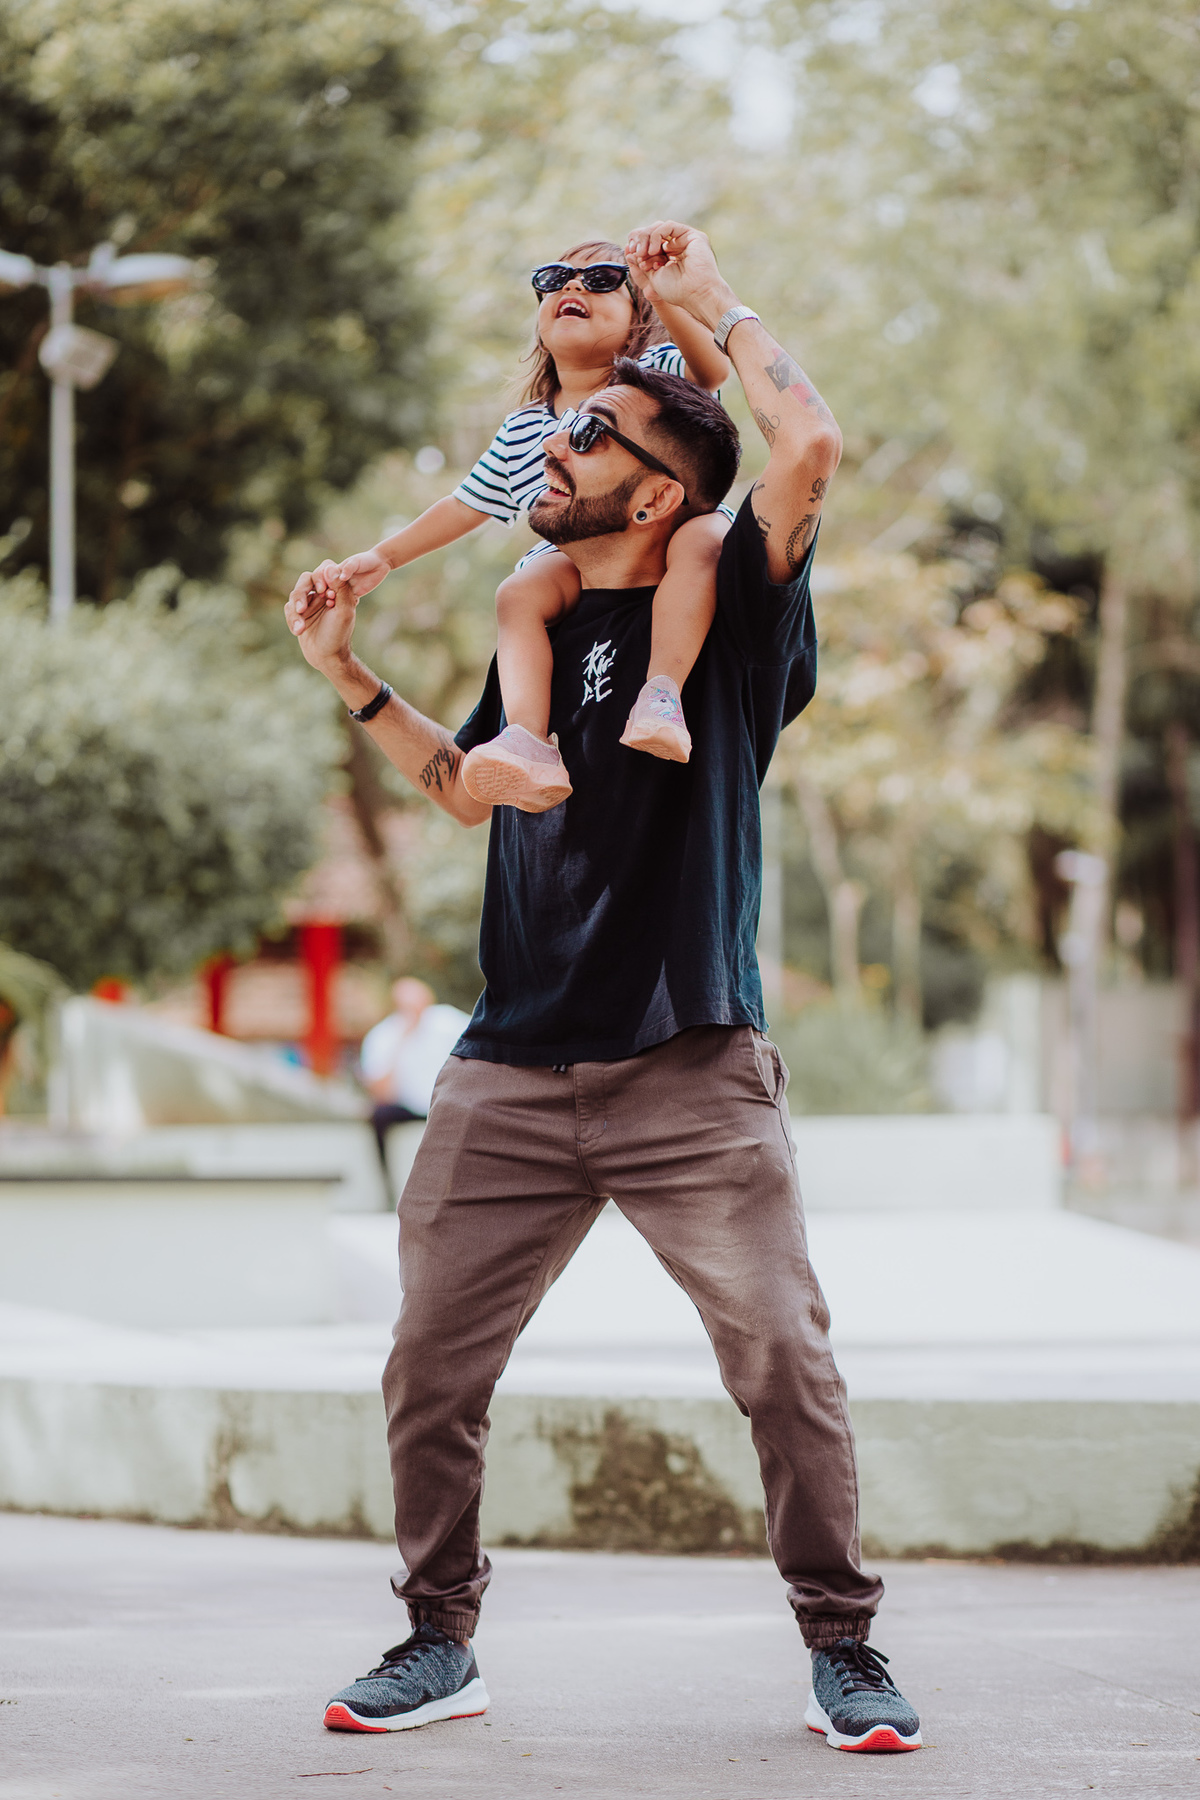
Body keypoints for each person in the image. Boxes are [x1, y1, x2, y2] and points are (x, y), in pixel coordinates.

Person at [286, 221, 923, 1757]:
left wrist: (714, 311)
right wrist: (354, 678)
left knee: (780, 1352)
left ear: (658, 484)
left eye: (588, 434)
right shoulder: (541, 612)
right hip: (507, 1070)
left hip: (688, 1064)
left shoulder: (739, 616)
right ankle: (439, 1640)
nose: (548, 448)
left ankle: (845, 1647)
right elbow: (468, 795)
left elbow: (811, 440)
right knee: (429, 1363)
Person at [293, 238, 731, 812]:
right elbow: (464, 502)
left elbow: (712, 368)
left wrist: (665, 295)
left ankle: (661, 692)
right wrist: (385, 557)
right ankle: (526, 737)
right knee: (519, 591)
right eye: (554, 279)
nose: (573, 287)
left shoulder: (653, 378)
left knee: (708, 538)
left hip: (669, 537)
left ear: (636, 318)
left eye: (601, 280)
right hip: (573, 562)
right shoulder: (522, 429)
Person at [359, 978, 471, 1171]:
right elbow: (381, 1093)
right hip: (408, 1107)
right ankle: (385, 1180)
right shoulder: (383, 1035)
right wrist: (402, 1040)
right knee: (379, 1115)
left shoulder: (448, 1021)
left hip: (448, 1101)